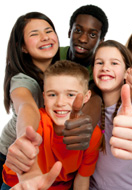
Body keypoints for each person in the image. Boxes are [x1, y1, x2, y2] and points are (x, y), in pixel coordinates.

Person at [2, 60, 102, 190]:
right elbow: (26, 116)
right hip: (19, 183)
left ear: (86, 97)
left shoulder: (93, 134)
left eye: (70, 94)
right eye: (52, 94)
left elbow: (82, 180)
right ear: (44, 96)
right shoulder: (38, 123)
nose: (60, 102)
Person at [0, 12, 60, 187]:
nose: (44, 37)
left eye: (48, 31)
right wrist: (26, 138)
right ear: (23, 47)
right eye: (34, 34)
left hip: (41, 153)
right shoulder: (22, 80)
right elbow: (26, 105)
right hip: (13, 155)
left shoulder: (62, 69)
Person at [89, 40, 132, 189]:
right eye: (99, 63)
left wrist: (130, 128)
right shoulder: (90, 107)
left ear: (127, 72)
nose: (105, 68)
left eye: (114, 63)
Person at [61, 4, 109, 150]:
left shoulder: (100, 68)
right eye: (78, 30)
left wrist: (86, 124)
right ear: (69, 32)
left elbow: (95, 96)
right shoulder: (53, 57)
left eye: (92, 35)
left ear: (101, 41)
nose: (82, 39)